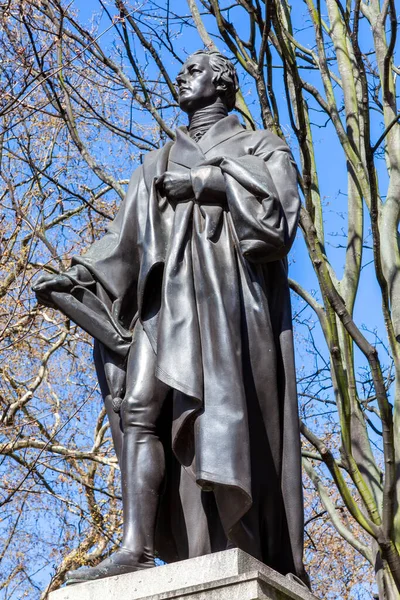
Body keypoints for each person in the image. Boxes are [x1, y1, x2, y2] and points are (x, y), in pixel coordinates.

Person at [33, 50, 308, 587]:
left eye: (195, 70)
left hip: (225, 310)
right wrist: (77, 281)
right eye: (181, 71)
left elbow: (277, 222)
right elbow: (124, 246)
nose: (182, 77)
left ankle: (234, 537)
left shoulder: (261, 147)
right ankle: (135, 546)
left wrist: (209, 182)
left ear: (222, 82)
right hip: (162, 311)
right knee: (138, 409)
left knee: (219, 422)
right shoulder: (154, 163)